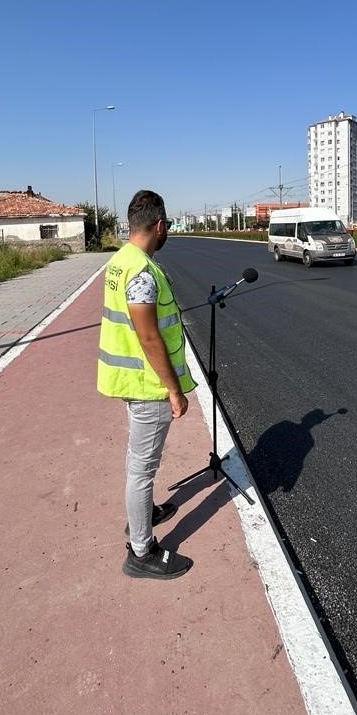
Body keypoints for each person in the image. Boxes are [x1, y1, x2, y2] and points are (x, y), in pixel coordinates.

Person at [97, 189, 197, 580]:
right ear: (158, 226)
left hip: (129, 378)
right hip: (147, 385)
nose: (167, 230)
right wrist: (174, 389)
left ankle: (143, 513)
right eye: (168, 225)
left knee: (137, 462)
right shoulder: (141, 272)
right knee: (142, 468)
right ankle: (141, 550)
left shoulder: (121, 261)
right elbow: (149, 336)